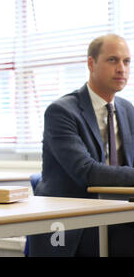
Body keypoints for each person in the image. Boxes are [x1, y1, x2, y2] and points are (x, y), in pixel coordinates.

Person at [30, 34, 134, 257]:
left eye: (127, 62)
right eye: (113, 60)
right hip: (73, 221)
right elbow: (87, 172)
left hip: (119, 212)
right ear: (91, 63)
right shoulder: (62, 111)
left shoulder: (127, 110)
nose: (121, 69)